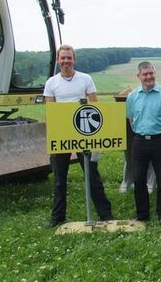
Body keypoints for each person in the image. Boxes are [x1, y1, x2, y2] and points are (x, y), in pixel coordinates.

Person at [43, 44, 113, 228]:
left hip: (84, 134)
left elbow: (95, 105)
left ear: (74, 59)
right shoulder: (51, 83)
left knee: (92, 176)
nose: (66, 61)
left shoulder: (85, 79)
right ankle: (57, 217)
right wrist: (52, 135)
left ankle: (105, 214)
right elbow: (50, 111)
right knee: (59, 180)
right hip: (62, 135)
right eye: (62, 58)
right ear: (58, 60)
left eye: (69, 58)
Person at [126, 61, 161, 224]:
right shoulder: (132, 97)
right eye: (145, 74)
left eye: (151, 73)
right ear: (139, 76)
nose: (148, 77)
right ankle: (142, 214)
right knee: (138, 178)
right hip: (140, 142)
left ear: (154, 74)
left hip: (160, 142)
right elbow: (131, 119)